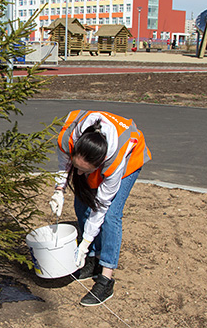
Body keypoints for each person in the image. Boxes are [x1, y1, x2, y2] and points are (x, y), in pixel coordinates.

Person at [49, 110, 151, 306]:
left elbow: (101, 208)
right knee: (81, 202)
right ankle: (93, 260)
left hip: (130, 157)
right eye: (77, 165)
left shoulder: (114, 163)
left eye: (84, 170)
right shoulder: (68, 137)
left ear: (99, 166)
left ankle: (106, 277)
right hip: (92, 153)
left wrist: (84, 242)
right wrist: (59, 190)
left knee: (111, 215)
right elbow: (65, 164)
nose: (78, 173)